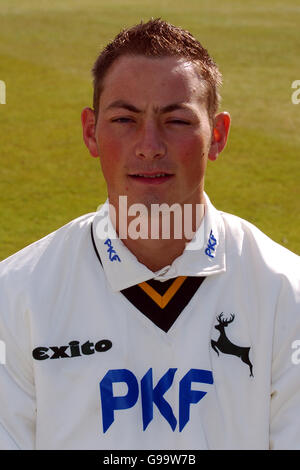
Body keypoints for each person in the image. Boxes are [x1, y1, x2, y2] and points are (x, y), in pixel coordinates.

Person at [0, 19, 299, 451]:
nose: (149, 145)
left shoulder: (286, 293)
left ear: (217, 136)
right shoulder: (15, 294)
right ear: (91, 132)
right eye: (124, 118)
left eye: (176, 120)